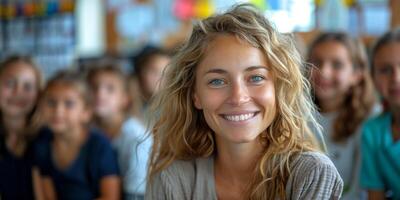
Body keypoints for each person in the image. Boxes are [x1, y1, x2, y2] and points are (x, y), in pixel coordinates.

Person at [145, 4, 343, 200]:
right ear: (195, 95)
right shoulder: (172, 179)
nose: (238, 97)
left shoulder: (310, 174)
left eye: (256, 78)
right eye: (217, 81)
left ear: (278, 87)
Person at [307, 32, 376, 200]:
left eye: (337, 65)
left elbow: (360, 190)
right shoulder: (296, 115)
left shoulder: (369, 120)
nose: (324, 71)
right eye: (317, 62)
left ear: (356, 75)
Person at [33, 71, 120, 199]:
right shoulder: (43, 144)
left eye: (69, 104)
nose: (58, 111)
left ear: (86, 112)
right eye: (51, 102)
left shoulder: (99, 145)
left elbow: (111, 197)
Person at [88, 63, 151, 199]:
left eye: (110, 89)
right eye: (94, 88)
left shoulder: (137, 138)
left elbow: (136, 195)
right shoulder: (90, 132)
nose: (100, 93)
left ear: (125, 98)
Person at [360, 28, 400, 200]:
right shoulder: (372, 132)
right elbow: (375, 195)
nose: (396, 78)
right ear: (373, 78)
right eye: (385, 70)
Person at [0, 55, 42, 200]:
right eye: (10, 83)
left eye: (28, 86)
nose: (18, 92)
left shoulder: (49, 139)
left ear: (38, 94)